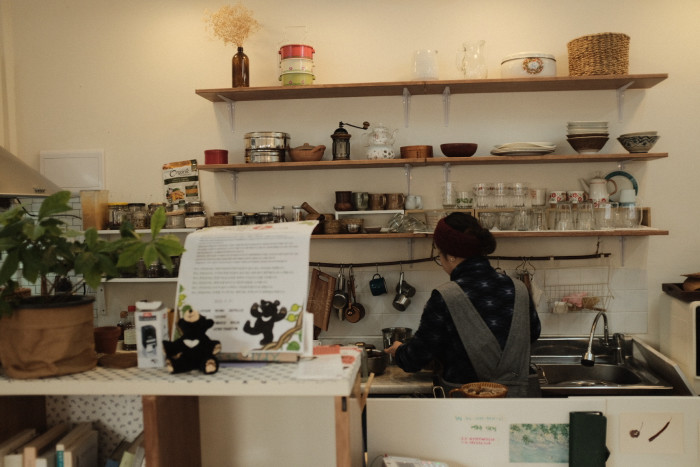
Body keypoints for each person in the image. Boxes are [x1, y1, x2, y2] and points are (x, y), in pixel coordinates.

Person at [384, 212, 541, 397]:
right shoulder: (519, 288)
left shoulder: (445, 297)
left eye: (439, 253)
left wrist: (399, 351)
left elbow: (416, 357)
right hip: (521, 402)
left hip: (467, 405)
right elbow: (533, 333)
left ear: (451, 256)